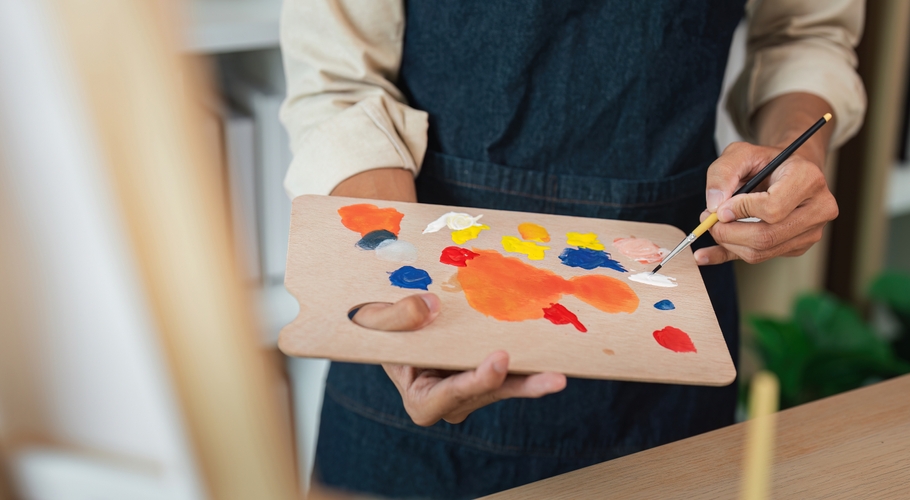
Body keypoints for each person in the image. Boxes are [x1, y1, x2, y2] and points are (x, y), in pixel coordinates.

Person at [280, 0, 866, 497]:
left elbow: (806, 33)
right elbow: (340, 82)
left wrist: (796, 153)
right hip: (418, 295)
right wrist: (401, 278)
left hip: (664, 321)